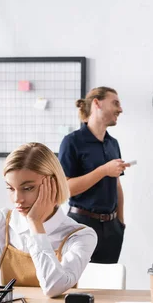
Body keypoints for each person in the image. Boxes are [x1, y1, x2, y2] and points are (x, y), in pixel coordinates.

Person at [0, 142, 97, 298]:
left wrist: (35, 223)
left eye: (28, 188)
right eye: (11, 188)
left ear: (53, 184)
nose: (17, 199)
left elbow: (53, 287)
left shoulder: (81, 235)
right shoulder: (1, 221)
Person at [58, 86, 129, 264]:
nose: (120, 109)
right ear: (97, 103)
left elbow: (117, 185)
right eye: (115, 103)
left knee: (108, 285)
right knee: (79, 284)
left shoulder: (113, 143)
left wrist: (120, 222)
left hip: (112, 228)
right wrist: (104, 170)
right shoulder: (72, 141)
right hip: (81, 223)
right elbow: (66, 189)